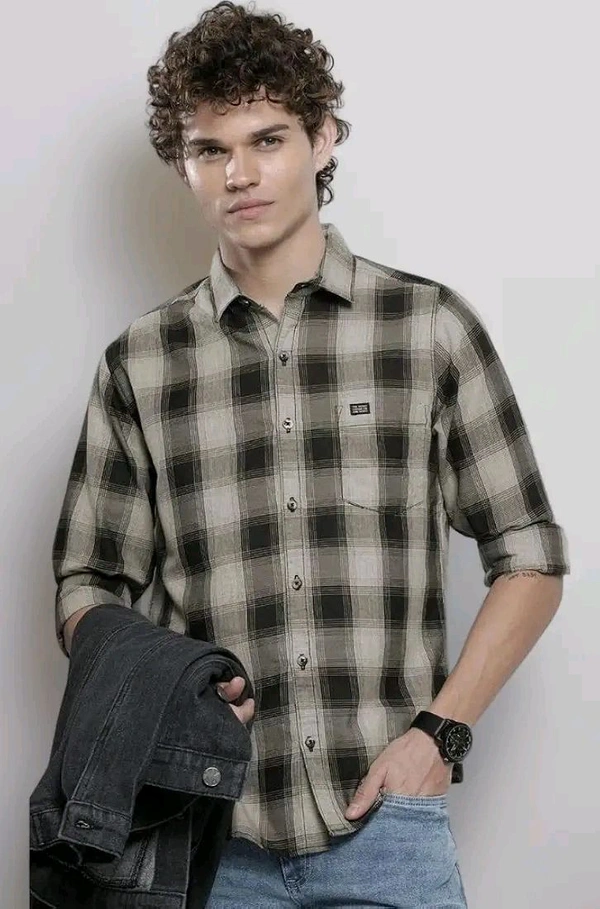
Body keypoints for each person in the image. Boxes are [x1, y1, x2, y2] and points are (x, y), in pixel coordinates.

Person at [54, 2, 570, 906]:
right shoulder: (142, 362)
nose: (240, 174)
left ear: (323, 137)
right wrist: (169, 691)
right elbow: (86, 582)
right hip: (206, 839)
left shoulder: (429, 329)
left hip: (390, 828)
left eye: (268, 139)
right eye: (211, 149)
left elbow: (530, 552)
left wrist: (440, 733)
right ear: (183, 164)